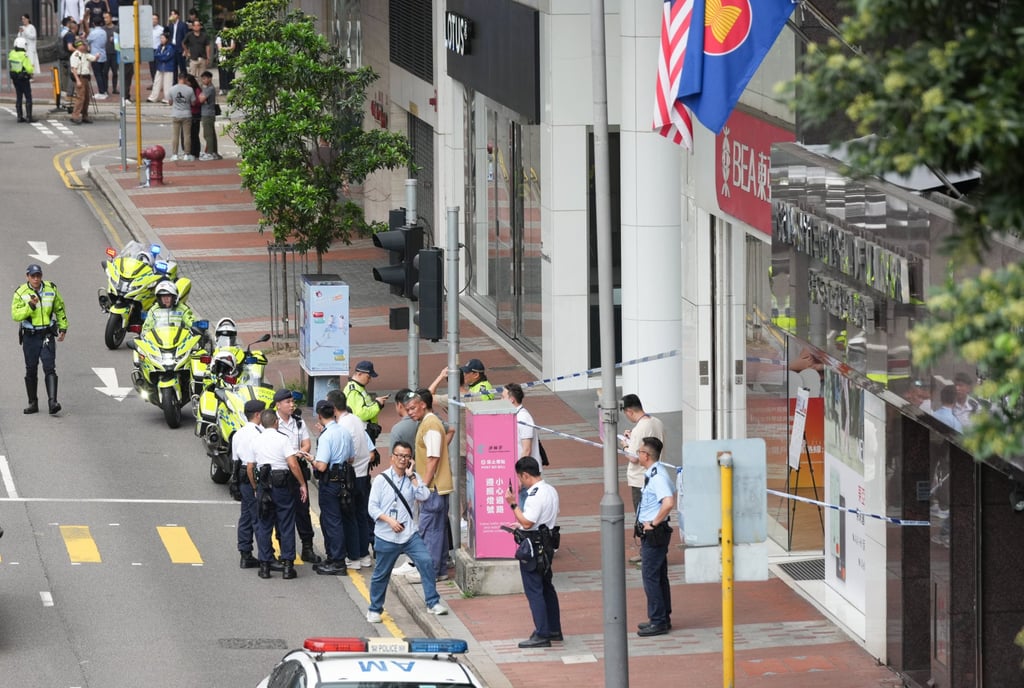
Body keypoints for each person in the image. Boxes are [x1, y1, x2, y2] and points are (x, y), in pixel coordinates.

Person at [365, 441, 450, 623]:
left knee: (426, 562)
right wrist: (389, 521)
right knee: (381, 573)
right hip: (386, 535)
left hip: (409, 534)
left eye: (406, 457)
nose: (403, 460)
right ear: (392, 457)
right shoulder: (381, 480)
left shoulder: (413, 478)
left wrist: (413, 477)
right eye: (400, 456)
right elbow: (372, 508)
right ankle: (374, 609)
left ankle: (432, 602)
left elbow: (424, 496)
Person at [504, 456, 562, 648]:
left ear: (525, 475)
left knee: (534, 590)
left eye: (521, 478)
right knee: (547, 587)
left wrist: (513, 505)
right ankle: (553, 629)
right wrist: (520, 523)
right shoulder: (551, 490)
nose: (521, 482)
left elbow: (528, 522)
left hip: (534, 547)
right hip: (547, 544)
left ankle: (542, 633)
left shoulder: (535, 494)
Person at [250, 409, 309, 579]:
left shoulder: (256, 441)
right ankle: (288, 566)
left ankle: (265, 566)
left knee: (264, 524)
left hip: (263, 485)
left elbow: (251, 467)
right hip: (282, 486)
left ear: (262, 423)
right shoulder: (283, 439)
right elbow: (293, 465)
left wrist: (256, 487)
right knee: (286, 524)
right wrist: (302, 484)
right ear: (276, 422)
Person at [404, 389, 454, 582]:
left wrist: (422, 486)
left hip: (432, 488)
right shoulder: (430, 423)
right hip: (438, 487)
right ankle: (439, 570)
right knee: (438, 530)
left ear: (423, 404)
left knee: (430, 530)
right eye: (408, 409)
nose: (410, 412)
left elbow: (433, 458)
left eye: (413, 408)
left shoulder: (431, 425)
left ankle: (430, 571)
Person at [272, 387, 322, 564]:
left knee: (303, 510)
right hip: (281, 471)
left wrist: (300, 452)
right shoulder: (273, 423)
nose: (292, 405)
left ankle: (307, 547)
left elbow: (307, 443)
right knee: (282, 513)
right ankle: (284, 550)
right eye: (288, 402)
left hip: (298, 469)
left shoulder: (298, 422)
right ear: (278, 405)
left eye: (292, 402)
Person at [12, 264, 68, 415]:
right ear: (27, 277)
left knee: (49, 367)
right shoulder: (20, 292)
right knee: (31, 369)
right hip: (30, 336)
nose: (36, 279)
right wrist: (30, 305)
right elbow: (15, 315)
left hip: (47, 335)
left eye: (38, 276)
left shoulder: (51, 289)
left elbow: (60, 308)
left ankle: (52, 402)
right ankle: (33, 403)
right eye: (33, 276)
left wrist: (63, 328)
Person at [327, 389, 373, 570]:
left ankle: (353, 556)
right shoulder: (355, 419)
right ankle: (364, 555)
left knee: (350, 517)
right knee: (361, 516)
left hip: (351, 476)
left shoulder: (343, 425)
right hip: (363, 475)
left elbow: (349, 456)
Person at [635, 437, 675, 637]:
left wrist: (653, 523)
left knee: (650, 576)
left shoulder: (658, 476)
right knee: (658, 575)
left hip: (655, 533)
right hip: (654, 532)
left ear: (646, 455)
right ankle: (662, 617)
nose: (638, 454)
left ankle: (658, 620)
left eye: (640, 451)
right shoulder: (654, 473)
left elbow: (668, 502)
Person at [310, 400, 355, 575]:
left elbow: (321, 466)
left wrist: (310, 459)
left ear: (320, 416)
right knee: (337, 520)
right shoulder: (344, 431)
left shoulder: (326, 436)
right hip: (344, 480)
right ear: (334, 413)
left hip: (330, 483)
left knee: (332, 521)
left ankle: (337, 561)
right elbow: (351, 458)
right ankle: (333, 557)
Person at [620, 393, 665, 564]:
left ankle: (647, 552)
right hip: (656, 473)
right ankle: (656, 550)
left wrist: (625, 444)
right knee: (656, 515)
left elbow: (633, 457)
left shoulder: (640, 428)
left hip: (640, 479)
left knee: (643, 517)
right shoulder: (656, 422)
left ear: (629, 411)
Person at [234, 399, 266, 569]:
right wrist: (256, 486)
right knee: (259, 517)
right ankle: (265, 556)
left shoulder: (238, 433)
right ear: (258, 414)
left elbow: (235, 460)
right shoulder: (258, 433)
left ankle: (245, 553)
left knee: (246, 516)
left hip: (241, 476)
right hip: (253, 475)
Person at [503, 382, 542, 467]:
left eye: (503, 397)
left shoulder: (523, 418)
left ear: (511, 399)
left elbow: (527, 449)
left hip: (526, 471)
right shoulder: (513, 415)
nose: (500, 400)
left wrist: (520, 470)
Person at [344, 360, 388, 432]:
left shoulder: (358, 387)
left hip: (365, 429)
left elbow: (365, 406)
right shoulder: (354, 391)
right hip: (363, 430)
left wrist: (376, 402)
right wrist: (378, 405)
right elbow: (360, 414)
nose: (370, 380)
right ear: (359, 374)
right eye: (368, 377)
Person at [167, 72, 195, 161]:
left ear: (178, 78)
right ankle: (187, 154)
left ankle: (175, 154)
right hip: (187, 114)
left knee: (175, 135)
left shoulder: (172, 89)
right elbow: (193, 102)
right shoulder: (190, 89)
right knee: (187, 135)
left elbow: (170, 102)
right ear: (186, 79)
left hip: (176, 114)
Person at [69, 39, 97, 124]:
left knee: (87, 98)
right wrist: (77, 80)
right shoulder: (75, 55)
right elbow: (74, 69)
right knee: (80, 97)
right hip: (80, 77)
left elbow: (93, 59)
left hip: (86, 78)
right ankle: (75, 115)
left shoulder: (85, 54)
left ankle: (85, 115)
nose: (85, 46)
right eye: (83, 45)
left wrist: (97, 56)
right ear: (78, 46)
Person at [8, 37, 35, 123]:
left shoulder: (12, 53)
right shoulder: (24, 55)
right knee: (28, 96)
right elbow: (29, 69)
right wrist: (31, 70)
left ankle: (19, 117)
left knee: (19, 96)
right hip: (23, 78)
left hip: (15, 78)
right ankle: (29, 117)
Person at [197, 71, 220, 160]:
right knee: (211, 134)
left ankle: (210, 152)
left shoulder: (209, 89)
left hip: (207, 113)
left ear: (210, 78)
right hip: (209, 113)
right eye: (202, 79)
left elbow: (201, 99)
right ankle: (214, 151)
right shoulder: (208, 88)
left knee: (208, 134)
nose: (203, 81)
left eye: (205, 79)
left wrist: (200, 94)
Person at [149, 33, 175, 103]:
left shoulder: (170, 47)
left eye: (163, 38)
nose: (161, 40)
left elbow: (166, 57)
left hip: (168, 68)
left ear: (167, 39)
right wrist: (160, 56)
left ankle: (167, 98)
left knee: (167, 83)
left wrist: (159, 56)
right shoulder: (159, 47)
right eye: (160, 38)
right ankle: (153, 97)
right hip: (160, 67)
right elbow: (156, 55)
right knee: (157, 82)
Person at [86, 19, 108, 98]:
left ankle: (101, 92)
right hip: (103, 54)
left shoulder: (93, 33)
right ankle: (105, 90)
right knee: (102, 74)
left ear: (94, 23)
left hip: (95, 55)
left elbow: (87, 41)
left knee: (98, 74)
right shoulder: (104, 32)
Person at [166, 8, 188, 80]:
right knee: (173, 66)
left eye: (173, 14)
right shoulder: (171, 25)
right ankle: (174, 82)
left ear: (177, 16)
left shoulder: (182, 24)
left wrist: (185, 49)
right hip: (172, 48)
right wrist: (167, 23)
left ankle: (184, 80)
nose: (172, 16)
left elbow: (186, 37)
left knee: (182, 67)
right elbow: (166, 33)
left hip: (180, 48)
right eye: (171, 14)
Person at [149, 13, 164, 84]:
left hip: (158, 50)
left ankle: (159, 83)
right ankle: (154, 82)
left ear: (158, 20)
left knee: (158, 67)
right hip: (150, 50)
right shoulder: (148, 29)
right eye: (152, 19)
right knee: (152, 68)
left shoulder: (161, 29)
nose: (154, 20)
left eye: (155, 19)